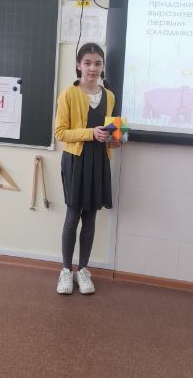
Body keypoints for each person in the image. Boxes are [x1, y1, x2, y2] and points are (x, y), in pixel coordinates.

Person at [53, 43, 119, 295]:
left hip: (99, 160)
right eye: (88, 63)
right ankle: (65, 271)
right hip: (76, 160)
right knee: (73, 214)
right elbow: (61, 133)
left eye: (97, 63)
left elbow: (111, 132)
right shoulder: (68, 94)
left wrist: (115, 139)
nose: (93, 68)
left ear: (102, 67)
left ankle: (83, 270)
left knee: (91, 216)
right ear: (78, 65)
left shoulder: (109, 96)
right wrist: (91, 133)